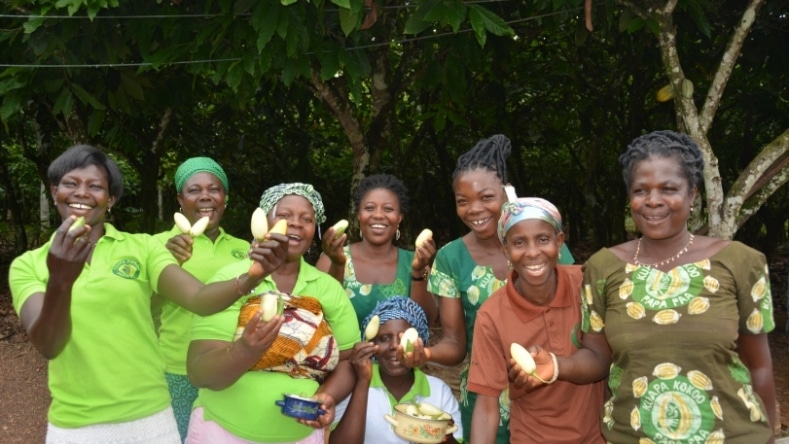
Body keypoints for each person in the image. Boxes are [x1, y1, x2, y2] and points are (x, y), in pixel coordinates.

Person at [8, 145, 288, 444]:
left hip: (151, 418)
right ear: (54, 192)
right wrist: (60, 282)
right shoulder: (28, 265)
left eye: (95, 186)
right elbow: (49, 345)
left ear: (110, 198)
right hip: (77, 423)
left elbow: (198, 299)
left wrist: (251, 276)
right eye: (70, 184)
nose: (82, 193)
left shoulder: (142, 248)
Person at [514, 130, 777, 443]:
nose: (653, 200)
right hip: (633, 435)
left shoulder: (740, 261)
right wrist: (556, 366)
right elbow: (598, 357)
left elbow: (759, 366)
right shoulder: (603, 268)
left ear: (693, 194)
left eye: (668, 189)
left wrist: (771, 436)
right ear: (630, 198)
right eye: (641, 190)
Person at [405, 134, 575, 443]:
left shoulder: (544, 247)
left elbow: (574, 324)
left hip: (553, 393)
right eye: (462, 201)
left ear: (507, 193)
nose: (474, 209)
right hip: (487, 400)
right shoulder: (450, 258)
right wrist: (425, 354)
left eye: (486, 197)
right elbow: (457, 344)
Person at [186, 182, 361, 443]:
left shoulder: (328, 289)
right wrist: (246, 349)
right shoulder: (232, 279)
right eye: (284, 216)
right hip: (221, 431)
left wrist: (328, 396)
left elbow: (348, 360)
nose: (296, 224)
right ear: (264, 222)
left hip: (300, 436)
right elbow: (199, 371)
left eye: (307, 219)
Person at [468, 197, 604, 443]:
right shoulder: (492, 315)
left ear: (559, 242)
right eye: (519, 242)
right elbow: (487, 406)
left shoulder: (586, 285)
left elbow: (605, 360)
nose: (532, 252)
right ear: (506, 251)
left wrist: (555, 364)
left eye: (543, 239)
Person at [153, 157, 251, 441]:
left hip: (232, 366)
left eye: (214, 189)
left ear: (225, 198)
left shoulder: (244, 249)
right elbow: (142, 308)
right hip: (176, 369)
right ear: (180, 200)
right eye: (194, 190)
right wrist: (167, 265)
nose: (206, 196)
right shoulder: (157, 245)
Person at [331, 296, 462, 444]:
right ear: (372, 345)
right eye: (385, 338)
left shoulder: (439, 391)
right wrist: (362, 382)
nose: (394, 346)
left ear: (420, 345)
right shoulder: (351, 384)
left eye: (403, 338)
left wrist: (444, 435)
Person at [317, 174, 437, 326]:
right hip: (345, 350)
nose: (379, 215)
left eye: (388, 209)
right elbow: (319, 316)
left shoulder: (415, 262)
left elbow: (427, 320)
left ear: (399, 218)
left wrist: (418, 272)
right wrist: (337, 265)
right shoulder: (330, 259)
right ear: (359, 215)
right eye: (369, 208)